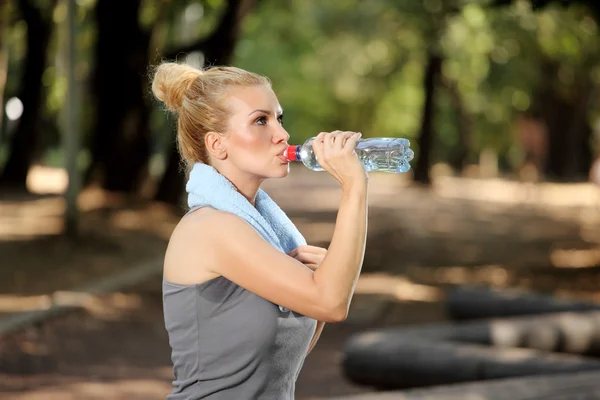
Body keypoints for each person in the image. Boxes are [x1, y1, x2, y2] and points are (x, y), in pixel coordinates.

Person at [151, 62, 368, 399]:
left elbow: (277, 362)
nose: (281, 134)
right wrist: (354, 187)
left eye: (278, 118)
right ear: (217, 144)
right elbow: (332, 303)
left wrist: (322, 281)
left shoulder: (260, 230)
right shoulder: (209, 229)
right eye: (260, 120)